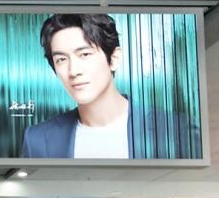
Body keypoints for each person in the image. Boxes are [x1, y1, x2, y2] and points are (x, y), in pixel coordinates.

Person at [21, 13, 164, 160]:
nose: (73, 71)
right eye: (61, 59)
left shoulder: (169, 129)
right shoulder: (37, 141)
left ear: (114, 59)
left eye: (85, 54)